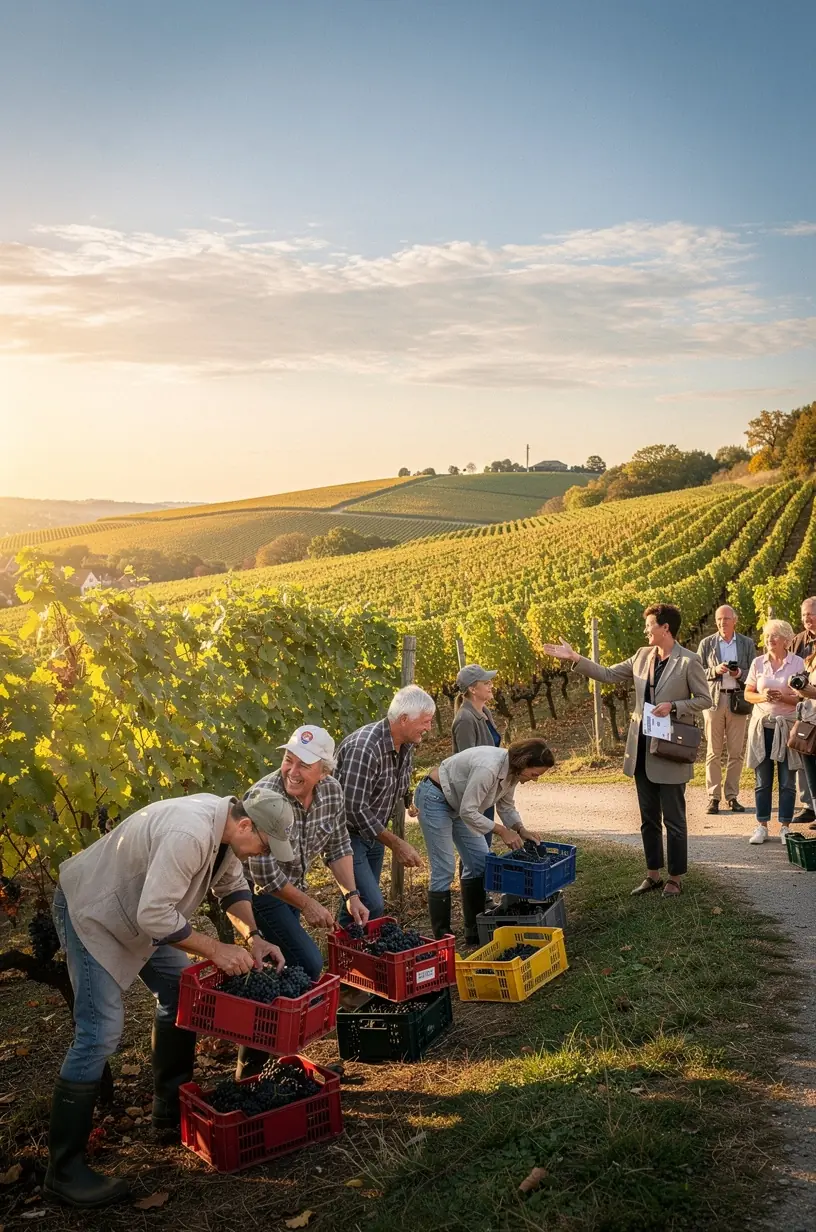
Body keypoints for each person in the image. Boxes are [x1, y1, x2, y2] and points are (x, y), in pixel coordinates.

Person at [45, 790, 288, 1209]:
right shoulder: (189, 832)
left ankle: (168, 1107)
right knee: (100, 1032)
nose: (261, 854)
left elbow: (231, 887)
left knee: (181, 994)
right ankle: (63, 1171)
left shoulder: (225, 828)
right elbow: (155, 915)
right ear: (247, 825)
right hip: (95, 911)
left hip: (141, 913)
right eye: (265, 846)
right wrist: (214, 948)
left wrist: (253, 936)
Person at [543, 603, 711, 897]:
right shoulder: (641, 656)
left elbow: (705, 699)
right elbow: (608, 674)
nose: (646, 629)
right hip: (642, 750)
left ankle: (675, 877)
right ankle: (653, 874)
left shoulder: (689, 661)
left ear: (665, 628)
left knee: (674, 819)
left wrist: (674, 706)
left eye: (650, 625)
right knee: (648, 818)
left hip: (671, 749)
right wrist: (575, 658)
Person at [237, 725, 370, 1078]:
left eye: (303, 765)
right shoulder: (264, 797)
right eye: (288, 760)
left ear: (324, 770)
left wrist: (351, 894)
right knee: (306, 964)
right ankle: (253, 1067)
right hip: (256, 897)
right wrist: (310, 904)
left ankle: (271, 1063)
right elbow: (263, 875)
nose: (292, 772)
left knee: (280, 971)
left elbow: (339, 843)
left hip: (291, 890)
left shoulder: (332, 791)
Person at [414, 739, 553, 943]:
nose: (535, 779)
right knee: (444, 868)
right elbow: (468, 811)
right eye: (534, 774)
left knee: (481, 862)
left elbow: (505, 806)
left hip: (461, 805)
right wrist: (502, 831)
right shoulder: (488, 768)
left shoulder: (513, 773)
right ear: (524, 763)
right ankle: (442, 939)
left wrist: (521, 830)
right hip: (435, 797)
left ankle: (474, 931)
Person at [334, 685, 436, 926]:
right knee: (372, 903)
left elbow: (398, 777)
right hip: (348, 837)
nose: (429, 728)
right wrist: (396, 843)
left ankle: (349, 954)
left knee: (356, 904)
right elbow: (354, 809)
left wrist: (407, 799)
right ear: (403, 719)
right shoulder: (365, 748)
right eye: (426, 721)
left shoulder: (407, 744)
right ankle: (349, 956)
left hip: (373, 834)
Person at [744, 620, 805, 845]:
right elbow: (748, 694)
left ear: (786, 640)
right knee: (762, 779)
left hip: (787, 726)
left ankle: (785, 827)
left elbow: (802, 696)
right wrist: (764, 697)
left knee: (788, 780)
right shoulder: (758, 663)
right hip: (763, 727)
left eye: (775, 636)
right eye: (768, 636)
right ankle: (761, 826)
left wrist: (783, 697)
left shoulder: (797, 662)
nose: (770, 640)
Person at [696, 606, 756, 814]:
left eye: (727, 619)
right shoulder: (706, 643)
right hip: (714, 700)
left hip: (737, 700)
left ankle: (732, 796)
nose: (723, 622)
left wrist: (739, 672)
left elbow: (754, 671)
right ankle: (713, 797)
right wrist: (714, 670)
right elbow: (696, 672)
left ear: (735, 621)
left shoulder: (747, 643)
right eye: (719, 619)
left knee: (736, 752)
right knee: (713, 751)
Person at [451, 662, 502, 850]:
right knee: (476, 849)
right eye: (486, 683)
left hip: (487, 789)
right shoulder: (465, 719)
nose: (491, 686)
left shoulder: (484, 712)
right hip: (475, 794)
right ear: (473, 689)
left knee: (484, 846)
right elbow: (467, 762)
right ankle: (472, 881)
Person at [791, 597, 816, 825]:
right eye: (803, 615)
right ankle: (809, 806)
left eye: (810, 614)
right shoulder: (798, 641)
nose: (806, 619)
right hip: (805, 708)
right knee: (805, 752)